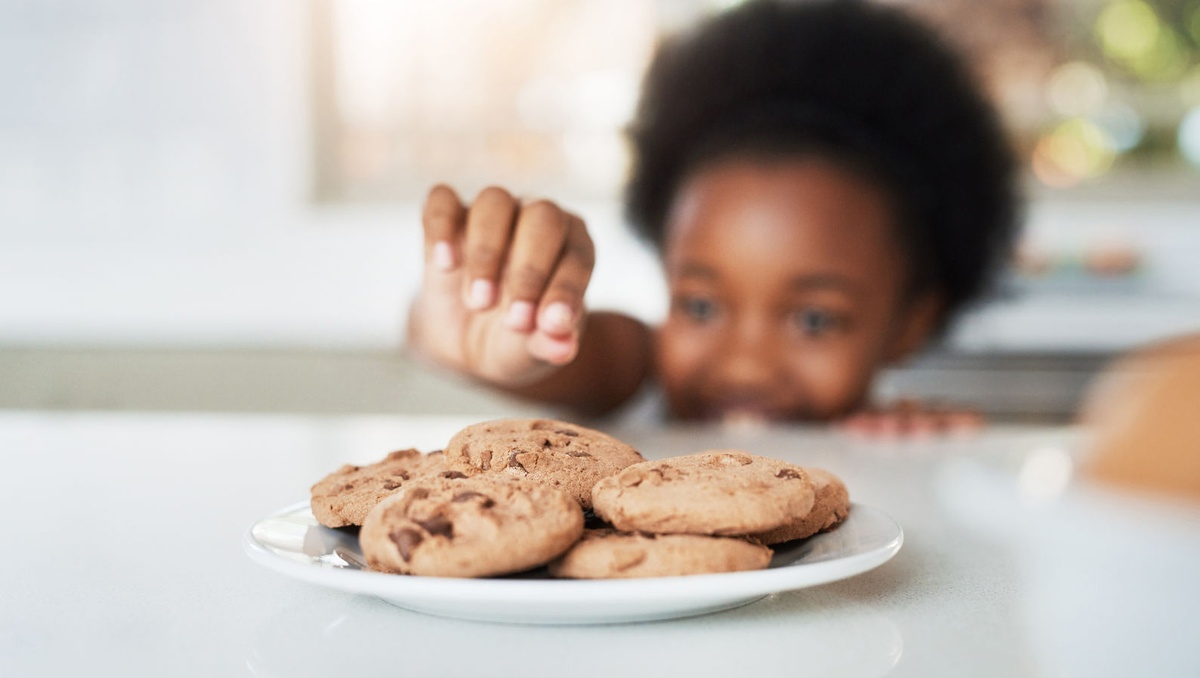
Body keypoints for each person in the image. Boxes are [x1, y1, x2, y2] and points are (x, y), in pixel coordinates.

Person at [406, 0, 1019, 433]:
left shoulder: (887, 439)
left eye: (813, 320)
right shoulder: (635, 370)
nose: (744, 364)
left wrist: (915, 457)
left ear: (912, 322)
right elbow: (562, 353)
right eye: (699, 306)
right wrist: (479, 328)